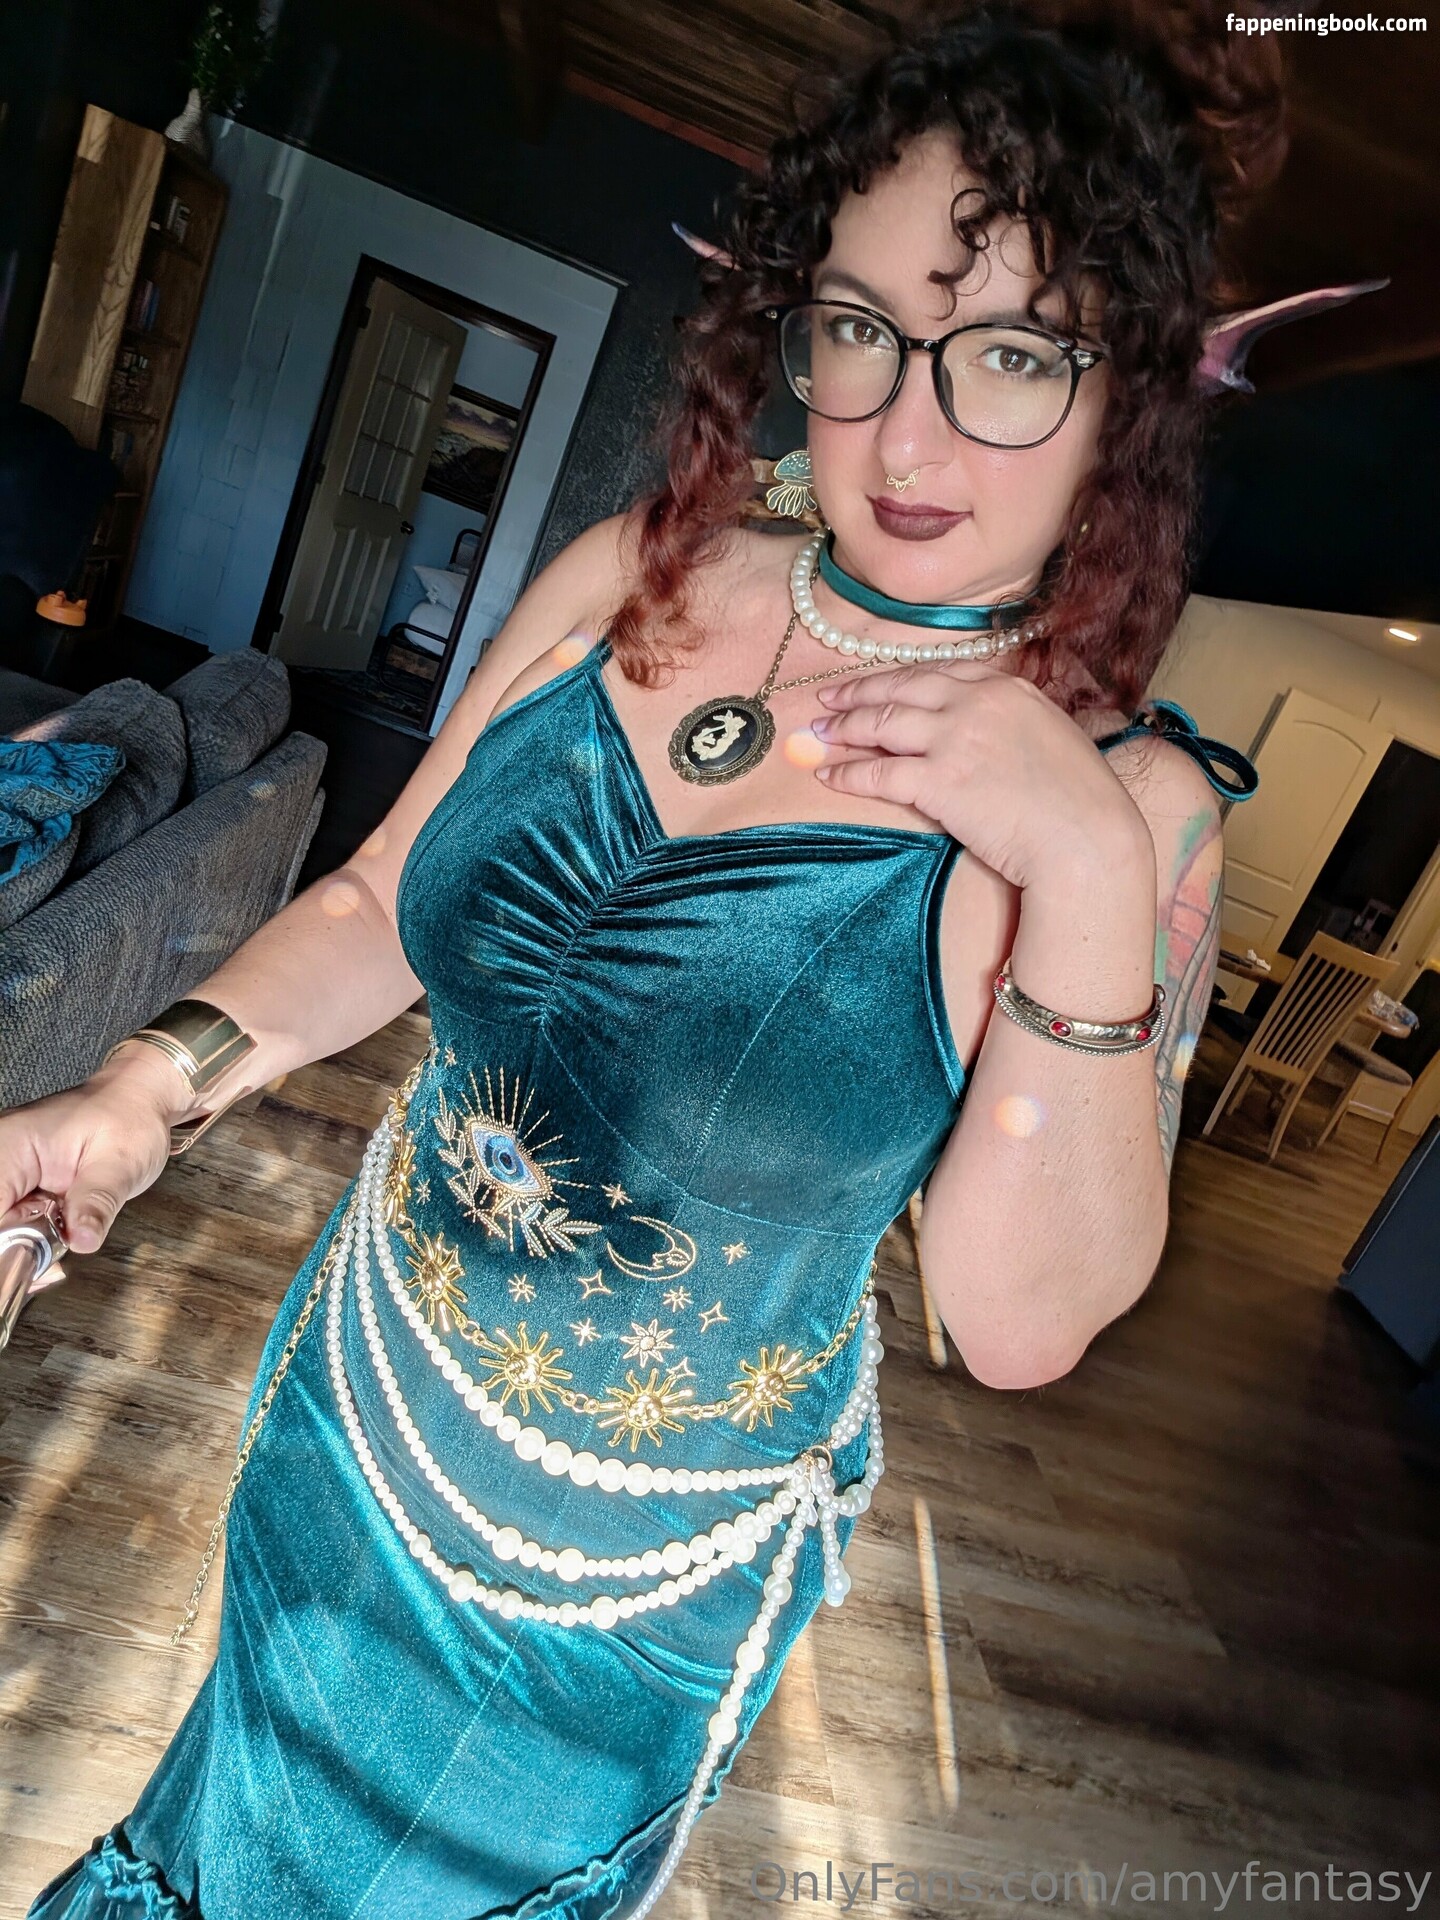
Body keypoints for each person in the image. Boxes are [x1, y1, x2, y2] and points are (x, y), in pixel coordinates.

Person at [6, 3, 1280, 1914]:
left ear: (1132, 399)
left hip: (600, 1609)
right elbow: (380, 902)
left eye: (1013, 356)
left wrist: (1086, 867)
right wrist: (141, 1088)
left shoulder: (1129, 811)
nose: (903, 430)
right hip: (348, 1402)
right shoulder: (644, 569)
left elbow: (1020, 1324)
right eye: (858, 329)